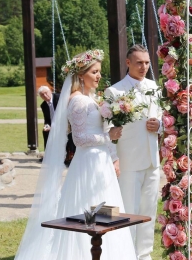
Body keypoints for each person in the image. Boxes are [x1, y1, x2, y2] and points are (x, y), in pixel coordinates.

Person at [15, 50, 136, 260]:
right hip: (88, 163)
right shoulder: (78, 101)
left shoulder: (91, 99)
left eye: (99, 72)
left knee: (106, 210)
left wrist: (112, 155)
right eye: (94, 72)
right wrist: (109, 137)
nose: (99, 76)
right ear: (81, 75)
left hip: (101, 162)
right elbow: (80, 139)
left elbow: (96, 131)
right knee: (89, 211)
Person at [104, 44, 162, 260]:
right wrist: (114, 158)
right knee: (128, 211)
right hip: (128, 160)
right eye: (139, 62)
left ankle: (144, 255)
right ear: (128, 63)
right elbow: (106, 130)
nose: (144, 66)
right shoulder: (115, 91)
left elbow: (163, 118)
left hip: (152, 160)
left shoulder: (155, 88)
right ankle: (126, 255)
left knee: (149, 212)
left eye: (147, 62)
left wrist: (161, 126)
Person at [38, 86, 60, 162]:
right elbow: (47, 119)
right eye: (42, 95)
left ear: (50, 91)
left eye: (46, 93)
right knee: (45, 132)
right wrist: (46, 126)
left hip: (64, 123)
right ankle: (48, 155)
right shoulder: (43, 105)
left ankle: (67, 156)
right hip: (53, 125)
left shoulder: (59, 98)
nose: (45, 95)